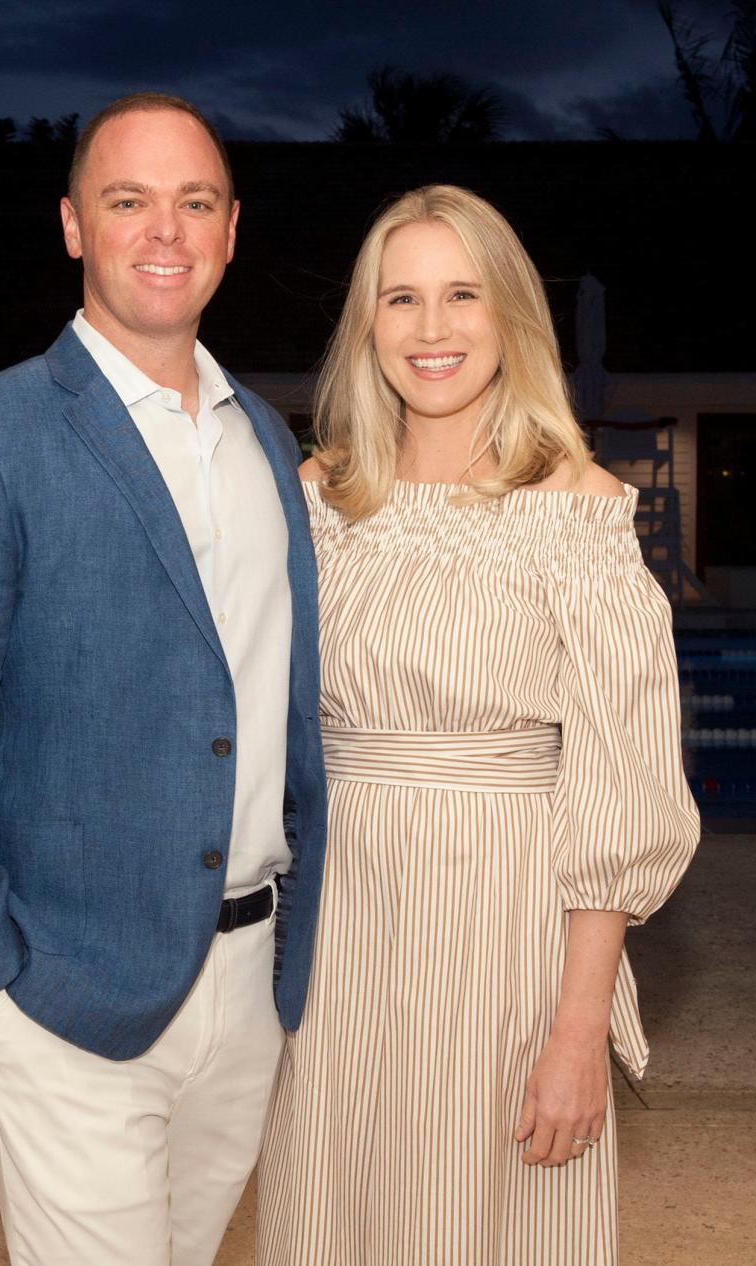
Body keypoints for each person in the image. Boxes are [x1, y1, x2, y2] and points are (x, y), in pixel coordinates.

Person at [0, 93, 326, 1266]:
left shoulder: (268, 440)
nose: (164, 231)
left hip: (249, 984)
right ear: (74, 225)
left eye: (195, 203)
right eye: (129, 201)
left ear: (231, 231)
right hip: (62, 989)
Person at [256, 184, 699, 1266]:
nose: (433, 328)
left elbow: (619, 791)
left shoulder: (579, 512)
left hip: (507, 939)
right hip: (335, 937)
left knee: (495, 1226)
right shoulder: (312, 500)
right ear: (368, 323)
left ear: (509, 315)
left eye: (462, 295)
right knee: (327, 1217)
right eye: (401, 298)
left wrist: (577, 1029)